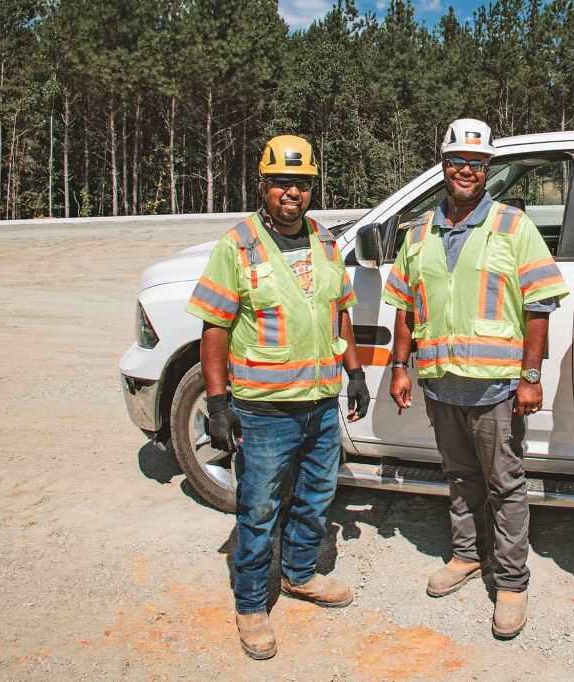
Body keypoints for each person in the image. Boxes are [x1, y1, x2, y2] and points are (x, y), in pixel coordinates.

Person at [382, 118, 568, 638]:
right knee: (459, 478)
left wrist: (530, 376)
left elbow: (539, 305)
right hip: (441, 384)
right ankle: (466, 555)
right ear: (443, 166)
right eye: (458, 161)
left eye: (477, 163)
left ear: (488, 169)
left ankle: (510, 582)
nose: (466, 170)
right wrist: (400, 366)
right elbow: (404, 306)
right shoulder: (419, 231)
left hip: (496, 388)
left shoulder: (513, 226)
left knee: (505, 483)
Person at [185, 134, 370, 660]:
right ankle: (250, 604)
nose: (293, 192)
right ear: (263, 185)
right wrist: (217, 405)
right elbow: (214, 329)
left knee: (316, 498)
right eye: (283, 182)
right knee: (258, 507)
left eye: (302, 183)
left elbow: (339, 312)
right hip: (264, 412)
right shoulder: (237, 246)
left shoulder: (326, 242)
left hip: (320, 401)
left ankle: (300, 574)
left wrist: (354, 372)